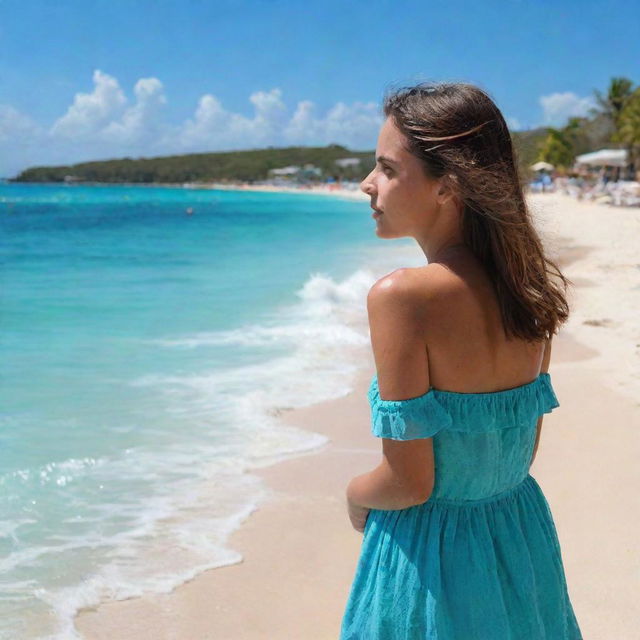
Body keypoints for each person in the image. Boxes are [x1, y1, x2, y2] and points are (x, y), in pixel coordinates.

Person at [340, 82, 583, 639]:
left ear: (447, 186)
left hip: (433, 562)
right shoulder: (527, 291)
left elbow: (409, 483)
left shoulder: (403, 297)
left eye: (387, 169)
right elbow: (518, 456)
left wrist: (355, 496)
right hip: (518, 541)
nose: (367, 184)